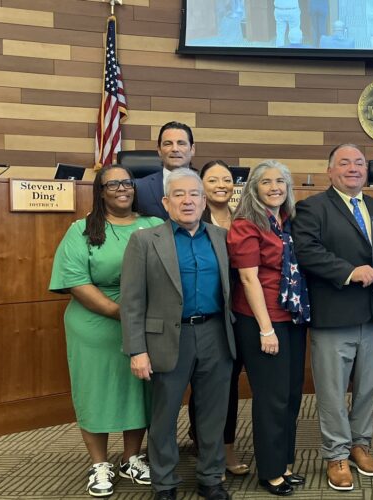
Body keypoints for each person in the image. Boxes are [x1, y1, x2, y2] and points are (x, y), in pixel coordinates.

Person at [121, 168, 236, 500]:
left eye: (194, 195)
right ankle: (165, 483)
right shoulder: (144, 240)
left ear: (203, 202)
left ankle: (211, 478)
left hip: (216, 333)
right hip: (168, 339)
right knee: (164, 415)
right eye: (179, 195)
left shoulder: (220, 237)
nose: (187, 201)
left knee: (213, 414)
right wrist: (137, 350)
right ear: (165, 202)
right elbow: (131, 301)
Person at [50, 165, 162, 497]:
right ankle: (99, 463)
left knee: (138, 391)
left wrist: (140, 318)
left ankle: (131, 457)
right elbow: (76, 282)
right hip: (96, 323)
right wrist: (124, 315)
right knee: (94, 390)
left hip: (144, 322)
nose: (122, 189)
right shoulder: (82, 229)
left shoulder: (154, 225)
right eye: (113, 185)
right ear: (100, 191)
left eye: (127, 183)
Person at [291, 144, 373, 492]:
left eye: (360, 163)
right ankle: (335, 454)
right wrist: (351, 272)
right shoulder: (312, 207)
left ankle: (359, 445)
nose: (353, 168)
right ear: (330, 172)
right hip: (334, 314)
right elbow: (307, 252)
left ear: (367, 171)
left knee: (369, 387)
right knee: (332, 390)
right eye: (344, 163)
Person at [227, 160, 309, 496]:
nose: (275, 187)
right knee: (271, 398)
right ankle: (270, 471)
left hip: (293, 316)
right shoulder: (246, 225)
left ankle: (285, 463)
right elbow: (248, 278)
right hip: (262, 319)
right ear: (253, 188)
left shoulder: (288, 221)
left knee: (290, 395)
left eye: (281, 181)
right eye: (266, 182)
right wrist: (265, 329)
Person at [182, 160, 248, 478]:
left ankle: (227, 446)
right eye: (213, 179)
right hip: (207, 314)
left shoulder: (242, 218)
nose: (222, 183)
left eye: (227, 178)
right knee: (203, 384)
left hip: (238, 313)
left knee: (229, 384)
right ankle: (203, 443)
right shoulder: (194, 218)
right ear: (201, 185)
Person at [136, 121, 196, 220]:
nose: (175, 149)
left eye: (181, 143)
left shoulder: (205, 185)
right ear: (159, 150)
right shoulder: (140, 188)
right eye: (168, 144)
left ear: (192, 149)